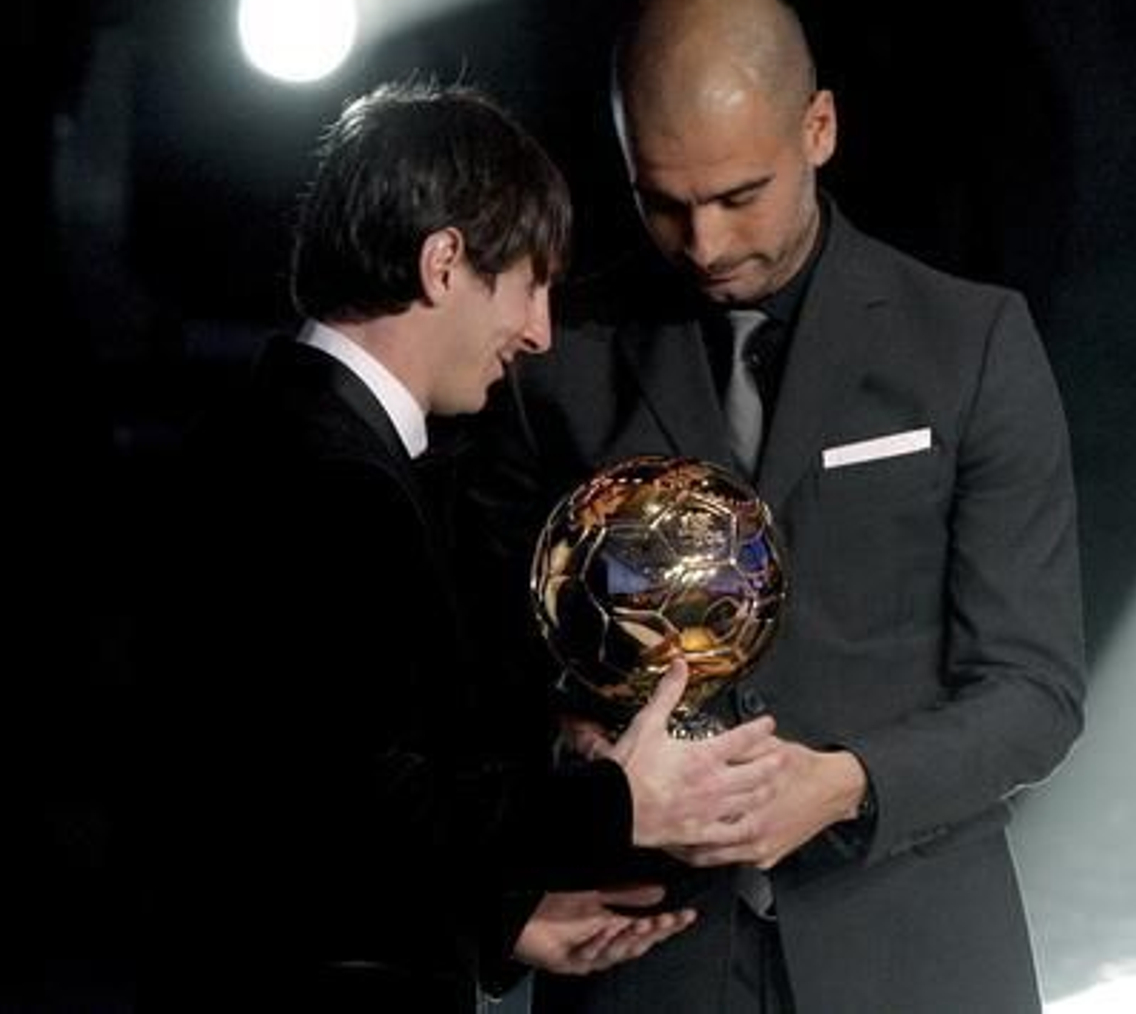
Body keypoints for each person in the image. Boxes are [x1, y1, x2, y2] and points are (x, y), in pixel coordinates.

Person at [465, 0, 1086, 1012]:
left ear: (819, 128)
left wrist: (846, 783)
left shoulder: (967, 342)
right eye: (663, 203)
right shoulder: (554, 359)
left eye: (737, 196)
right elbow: (483, 663)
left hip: (912, 953)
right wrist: (573, 745)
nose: (704, 244)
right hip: (646, 960)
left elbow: (1035, 691)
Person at [151, 78, 785, 1013]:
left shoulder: (276, 437)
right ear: (444, 263)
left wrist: (500, 920)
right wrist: (621, 801)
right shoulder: (334, 478)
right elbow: (357, 802)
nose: (539, 332)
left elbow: (290, 804)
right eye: (530, 283)